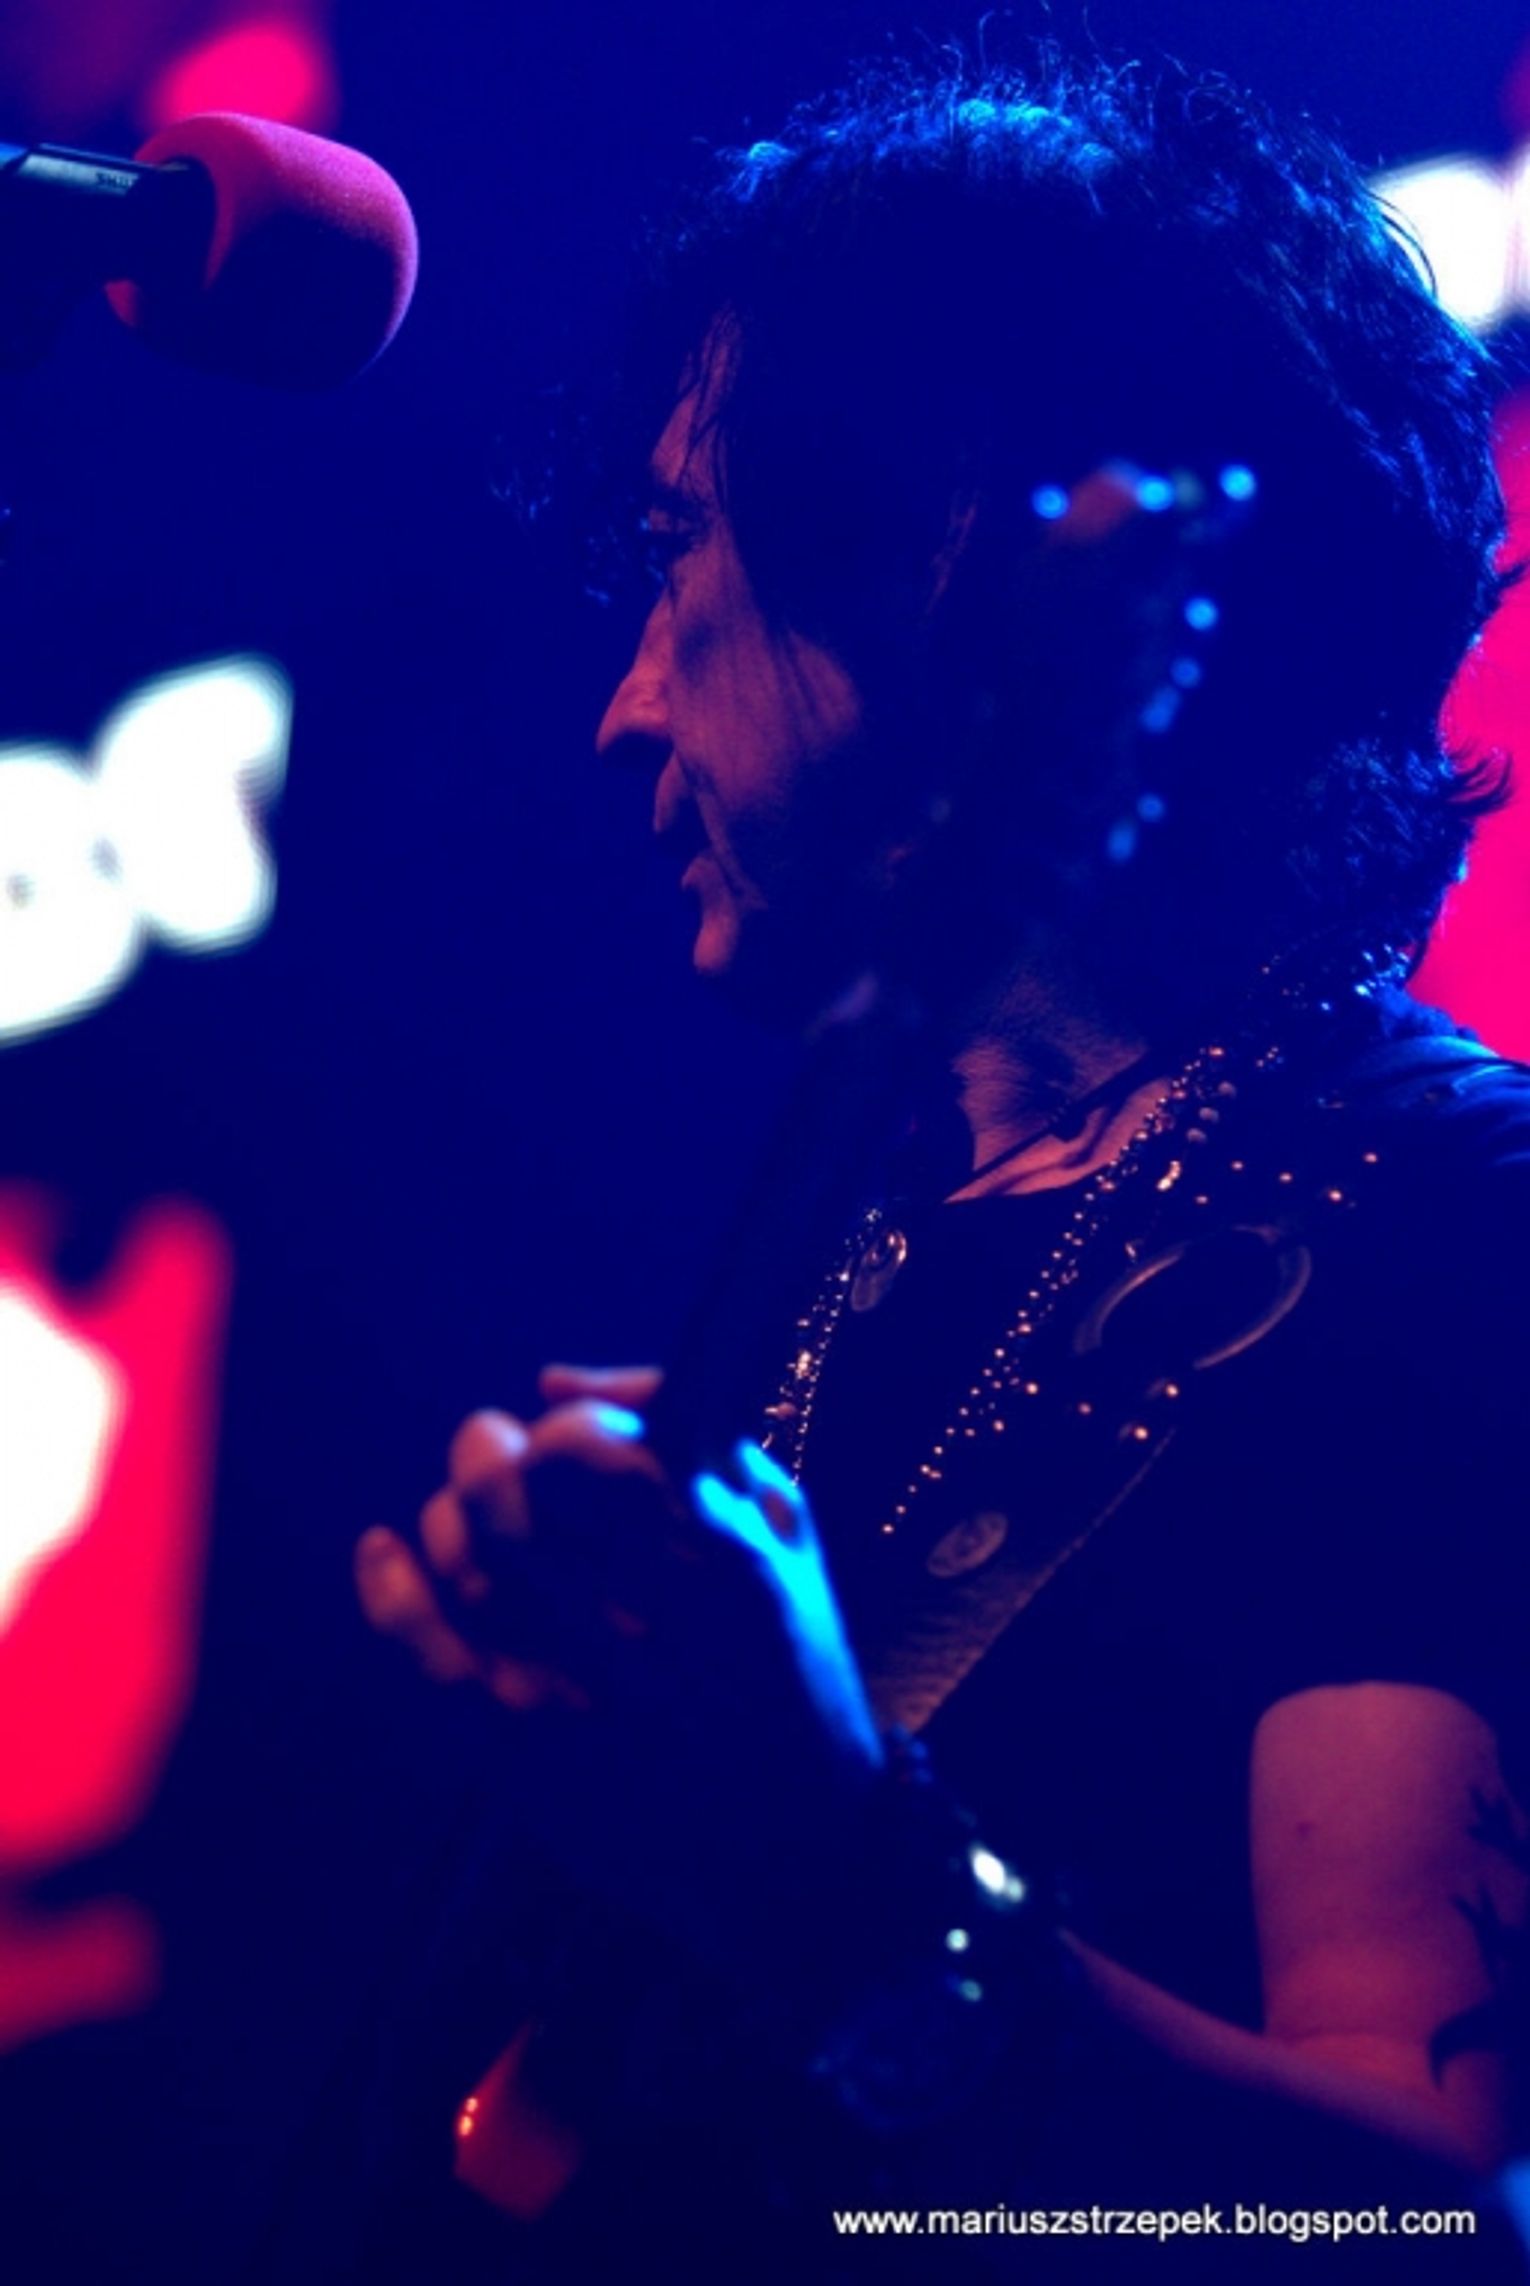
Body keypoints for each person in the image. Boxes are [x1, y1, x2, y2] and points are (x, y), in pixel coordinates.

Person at [351, 53, 1530, 2277]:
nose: (621, 704)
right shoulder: (857, 1215)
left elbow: (1421, 2222)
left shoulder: (1444, 1220)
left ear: (958, 559)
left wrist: (843, 1888)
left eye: (676, 555)